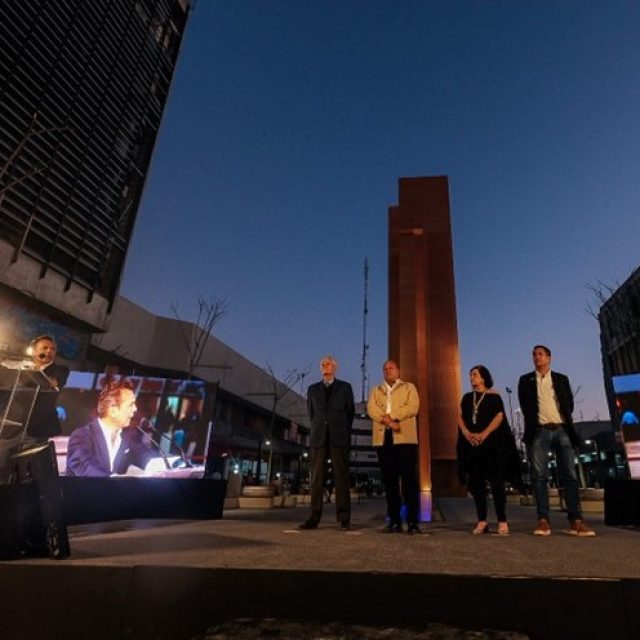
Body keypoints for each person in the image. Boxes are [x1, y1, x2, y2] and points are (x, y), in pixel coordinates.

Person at [518, 345, 596, 536]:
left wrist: (561, 421)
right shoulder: (525, 380)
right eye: (534, 355)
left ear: (549, 358)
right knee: (539, 477)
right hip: (539, 431)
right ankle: (543, 520)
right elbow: (525, 405)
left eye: (540, 354)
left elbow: (568, 403)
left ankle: (576, 520)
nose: (537, 357)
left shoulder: (561, 379)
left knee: (569, 475)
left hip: (561, 429)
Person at [457, 365, 520, 535]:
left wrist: (484, 434)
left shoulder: (495, 396)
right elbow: (460, 417)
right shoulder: (467, 397)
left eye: (474, 375)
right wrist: (467, 433)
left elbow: (499, 417)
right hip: (472, 446)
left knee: (497, 484)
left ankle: (502, 521)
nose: (471, 378)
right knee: (477, 485)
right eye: (470, 375)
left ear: (483, 377)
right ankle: (482, 521)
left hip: (492, 446)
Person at [299, 355, 355, 531]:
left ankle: (344, 517)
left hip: (339, 437)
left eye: (328, 364)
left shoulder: (345, 388)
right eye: (322, 364)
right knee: (316, 478)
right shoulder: (312, 389)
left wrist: (341, 430)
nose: (325, 366)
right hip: (319, 438)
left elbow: (350, 413)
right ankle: (313, 518)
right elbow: (312, 414)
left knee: (341, 478)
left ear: (335, 367)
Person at [367, 360, 422, 534]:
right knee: (390, 482)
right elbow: (371, 409)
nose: (387, 370)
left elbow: (413, 407)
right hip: (383, 439)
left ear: (398, 370)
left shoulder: (408, 387)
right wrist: (388, 422)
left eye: (391, 368)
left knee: (409, 481)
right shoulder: (376, 390)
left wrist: (392, 417)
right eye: (384, 369)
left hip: (405, 439)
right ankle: (394, 521)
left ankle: (413, 522)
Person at [66, 379, 155, 477]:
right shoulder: (81, 435)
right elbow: (84, 465)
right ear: (112, 411)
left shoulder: (128, 436)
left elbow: (146, 456)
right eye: (130, 404)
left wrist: (170, 465)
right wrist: (113, 479)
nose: (135, 409)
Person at [25, 335, 70, 445]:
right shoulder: (25, 367)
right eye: (44, 348)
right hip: (16, 422)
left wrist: (54, 382)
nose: (49, 351)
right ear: (34, 351)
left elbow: (56, 381)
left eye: (52, 349)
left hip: (40, 427)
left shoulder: (60, 370)